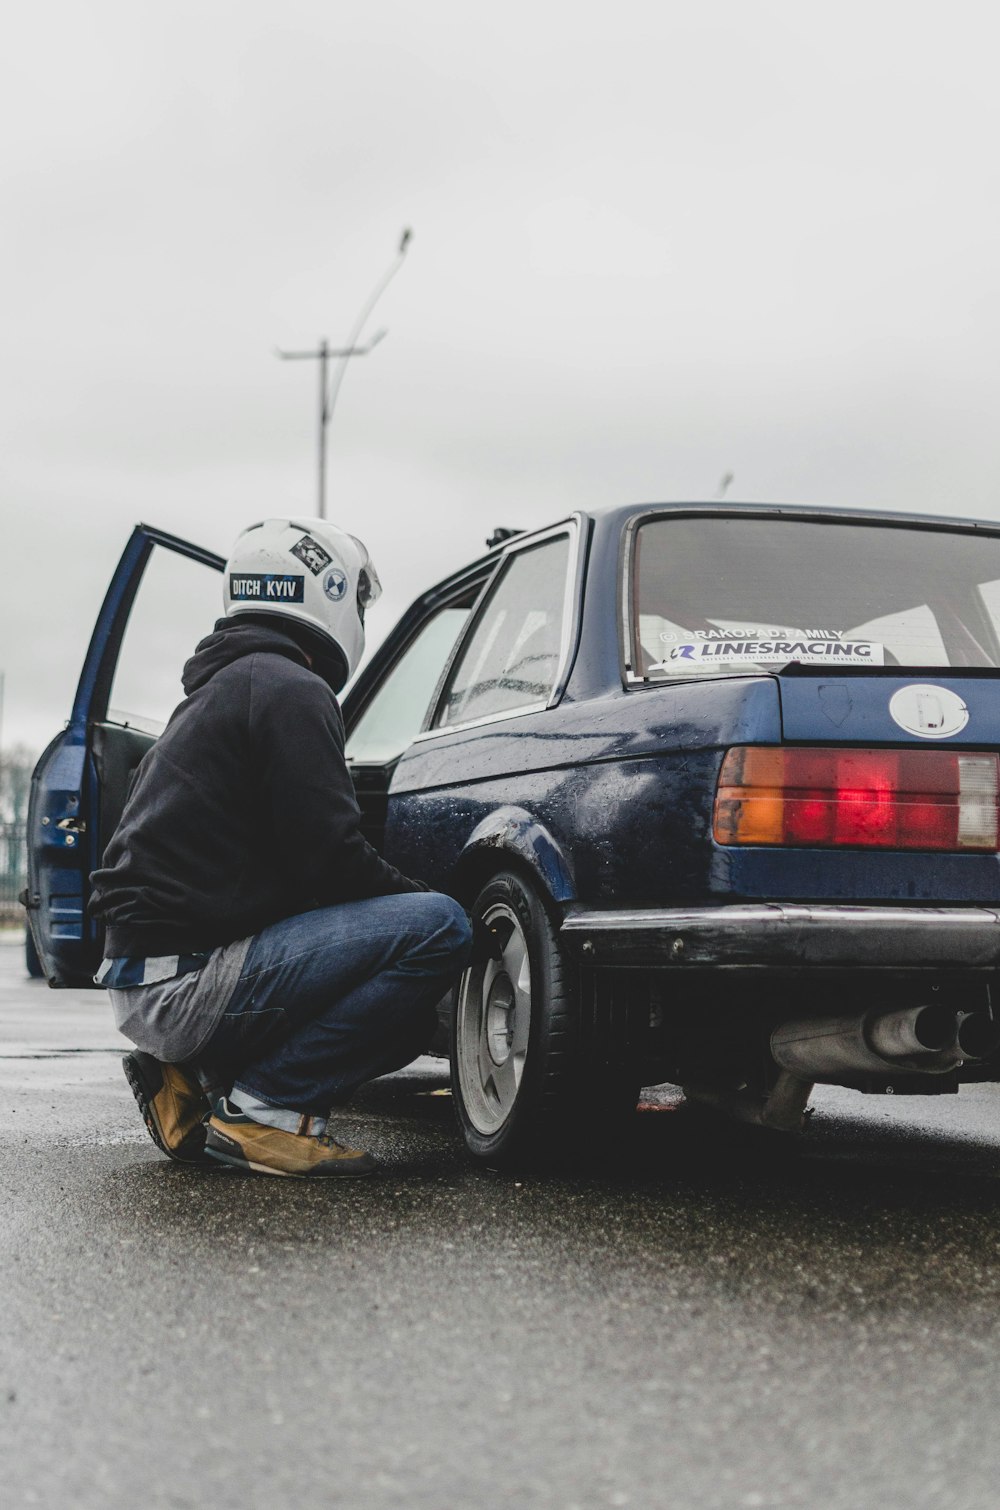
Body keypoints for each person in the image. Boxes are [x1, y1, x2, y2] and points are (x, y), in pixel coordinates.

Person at [91, 517, 472, 1178]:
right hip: (185, 984)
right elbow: (331, 861)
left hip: (147, 979)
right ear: (319, 588)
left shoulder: (227, 687)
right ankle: (267, 1111)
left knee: (406, 1023)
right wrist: (431, 898)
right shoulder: (291, 689)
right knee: (440, 927)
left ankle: (191, 1081)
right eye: (353, 595)